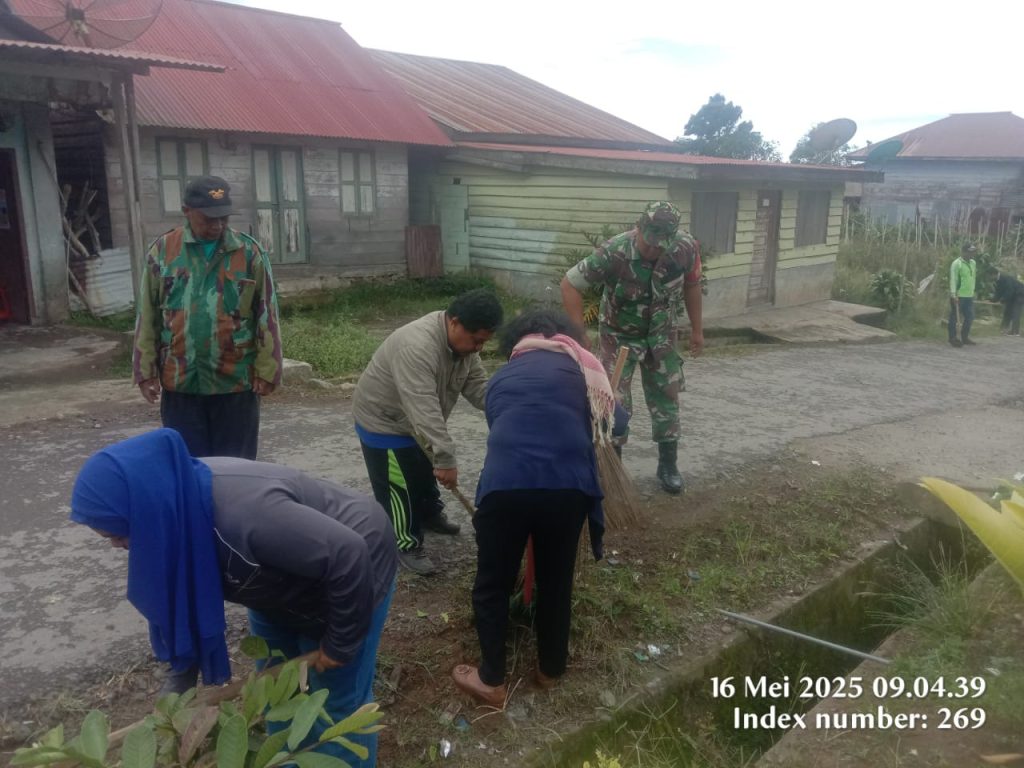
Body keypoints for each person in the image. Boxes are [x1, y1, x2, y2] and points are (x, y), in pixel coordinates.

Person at [70, 429, 397, 767]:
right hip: (276, 586)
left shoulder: (246, 516)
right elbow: (184, 603)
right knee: (276, 695)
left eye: (120, 533)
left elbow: (349, 555)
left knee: (337, 702)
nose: (118, 546)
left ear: (146, 514)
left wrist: (341, 643)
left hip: (354, 573)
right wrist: (180, 684)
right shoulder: (175, 511)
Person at [452, 309, 608, 709]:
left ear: (515, 344)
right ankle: (550, 670)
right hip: (567, 490)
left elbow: (502, 423)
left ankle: (492, 679)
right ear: (566, 339)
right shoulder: (584, 373)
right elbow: (615, 423)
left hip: (507, 487)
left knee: (492, 583)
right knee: (556, 583)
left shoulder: (502, 377)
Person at [352, 288, 503, 576]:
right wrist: (446, 459)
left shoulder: (465, 347)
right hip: (384, 421)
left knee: (422, 469)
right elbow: (423, 409)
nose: (478, 348)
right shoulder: (417, 346)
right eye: (476, 340)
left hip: (416, 423)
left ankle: (429, 513)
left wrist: (511, 408)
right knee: (399, 485)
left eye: (484, 342)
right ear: (455, 322)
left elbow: (479, 388)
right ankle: (404, 542)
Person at [133, 176, 282, 459]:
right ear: (186, 210)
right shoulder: (163, 251)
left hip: (235, 381)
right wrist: (145, 370)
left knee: (237, 470)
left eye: (223, 218)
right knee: (189, 468)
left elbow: (267, 312)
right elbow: (147, 313)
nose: (217, 225)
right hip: (181, 382)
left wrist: (269, 368)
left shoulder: (248, 252)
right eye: (208, 219)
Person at [560, 201, 703, 495]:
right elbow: (569, 284)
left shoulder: (685, 248)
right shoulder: (615, 251)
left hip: (661, 336)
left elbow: (692, 285)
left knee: (667, 397)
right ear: (638, 228)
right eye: (649, 243)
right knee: (613, 401)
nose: (654, 250)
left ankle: (668, 465)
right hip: (617, 336)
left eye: (661, 244)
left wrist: (698, 330)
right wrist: (579, 334)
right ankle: (613, 469)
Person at [948, 242, 978, 347]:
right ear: (963, 252)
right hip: (958, 295)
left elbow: (972, 278)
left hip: (969, 295)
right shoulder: (957, 263)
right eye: (970, 252)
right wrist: (953, 294)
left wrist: (973, 291)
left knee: (970, 317)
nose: (972, 254)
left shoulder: (973, 263)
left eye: (973, 252)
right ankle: (952, 338)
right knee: (954, 317)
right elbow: (953, 279)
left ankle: (964, 337)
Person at [993, 271, 1024, 336]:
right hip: (1012, 295)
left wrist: (1003, 300)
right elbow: (999, 291)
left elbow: (1010, 290)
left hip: (1019, 294)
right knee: (1007, 311)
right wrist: (993, 300)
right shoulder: (998, 280)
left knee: (1016, 312)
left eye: (990, 276)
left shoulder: (1005, 278)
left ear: (994, 274)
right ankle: (1004, 329)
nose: (989, 278)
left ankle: (1015, 331)